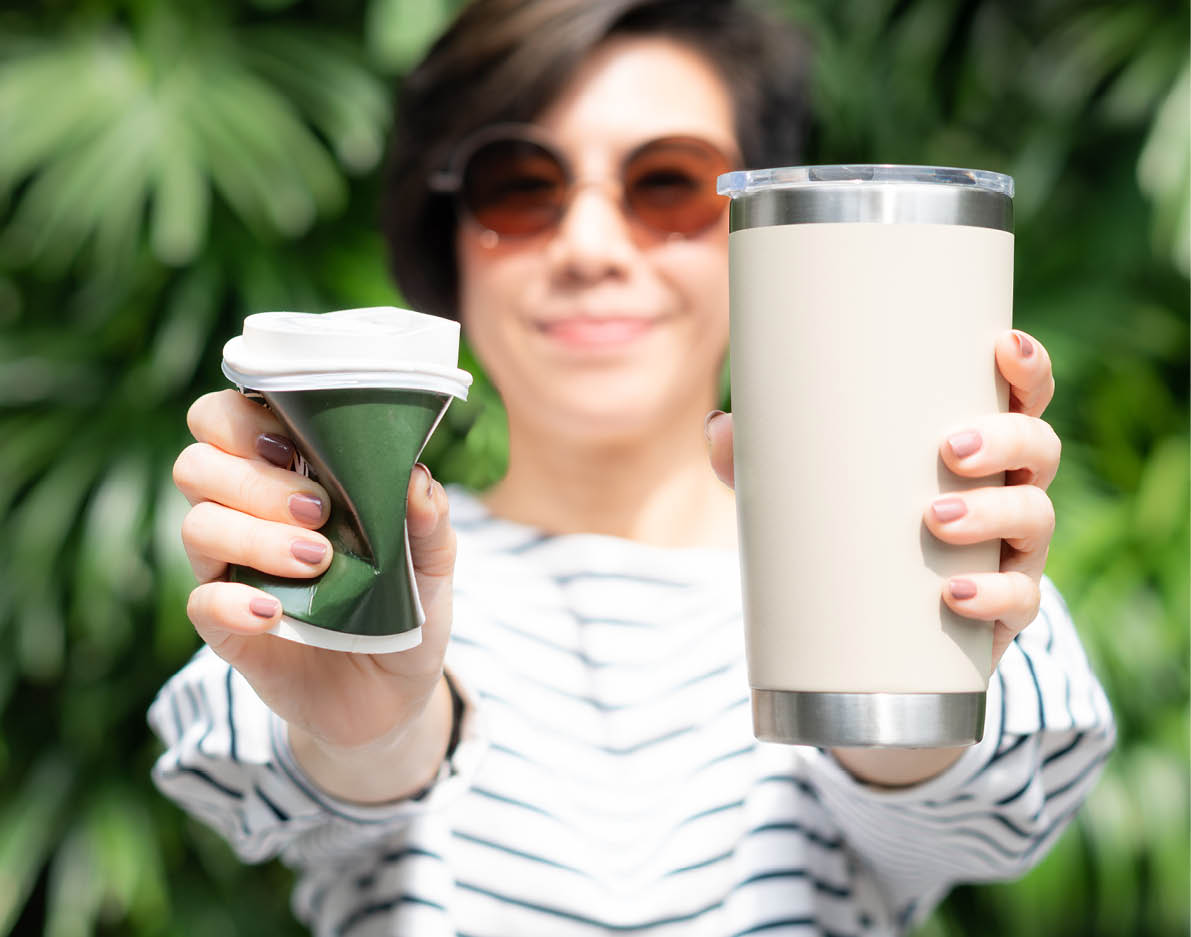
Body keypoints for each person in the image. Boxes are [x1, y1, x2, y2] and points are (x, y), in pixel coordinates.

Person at [150, 1, 1116, 934]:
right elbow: (277, 779)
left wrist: (898, 640)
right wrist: (371, 707)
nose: (590, 248)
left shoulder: (962, 575)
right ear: (444, 240)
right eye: (520, 187)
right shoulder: (342, 565)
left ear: (772, 234)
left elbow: (976, 819)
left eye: (668, 185)